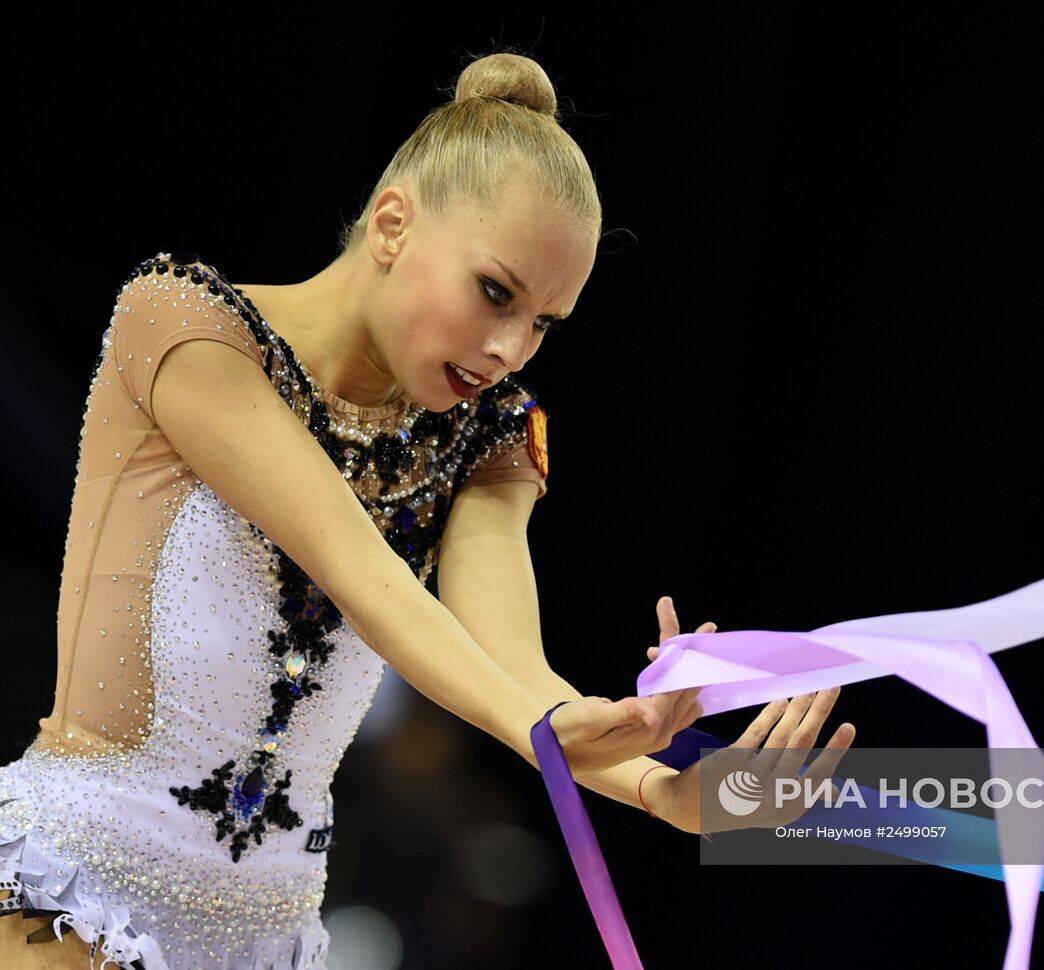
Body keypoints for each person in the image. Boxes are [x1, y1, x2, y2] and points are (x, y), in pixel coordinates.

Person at [0, 52, 852, 970]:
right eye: (495, 292)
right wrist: (543, 728)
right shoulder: (184, 328)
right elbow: (359, 569)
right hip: (74, 895)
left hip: (264, 938)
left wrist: (667, 788)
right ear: (393, 223)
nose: (507, 349)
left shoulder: (482, 440)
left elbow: (510, 665)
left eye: (542, 323)